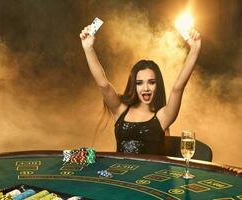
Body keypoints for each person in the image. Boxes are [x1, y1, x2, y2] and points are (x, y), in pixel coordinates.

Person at [79, 24, 201, 154]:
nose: (146, 88)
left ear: (157, 85)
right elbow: (103, 85)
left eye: (151, 82)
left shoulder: (163, 116)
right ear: (134, 85)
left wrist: (195, 48)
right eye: (139, 83)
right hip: (120, 174)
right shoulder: (120, 109)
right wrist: (88, 48)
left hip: (152, 174)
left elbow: (178, 87)